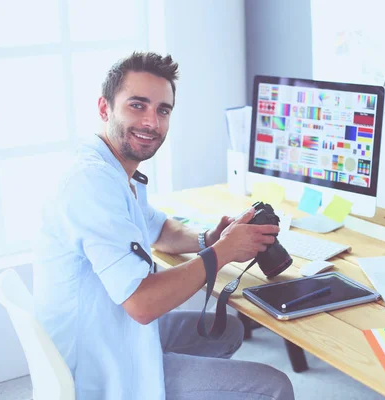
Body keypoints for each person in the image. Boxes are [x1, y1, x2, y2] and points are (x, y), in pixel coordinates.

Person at [33, 52, 295, 400]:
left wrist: (210, 238)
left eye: (163, 110)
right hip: (100, 366)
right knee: (274, 387)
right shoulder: (91, 184)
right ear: (104, 108)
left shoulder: (114, 169)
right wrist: (223, 252)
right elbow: (142, 304)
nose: (151, 122)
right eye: (137, 106)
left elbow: (160, 231)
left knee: (226, 330)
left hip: (112, 330)